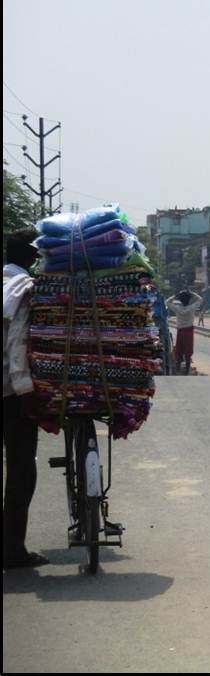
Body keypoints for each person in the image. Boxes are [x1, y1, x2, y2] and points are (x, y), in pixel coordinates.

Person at [3, 228, 49, 569]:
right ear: (32, 257)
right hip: (10, 394)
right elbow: (18, 343)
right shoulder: (25, 289)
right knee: (20, 471)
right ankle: (12, 550)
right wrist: (25, 391)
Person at [166, 289, 203, 375]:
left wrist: (176, 295)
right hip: (189, 331)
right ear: (189, 300)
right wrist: (192, 293)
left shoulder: (177, 308)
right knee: (188, 352)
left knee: (179, 350)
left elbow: (167, 302)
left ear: (180, 301)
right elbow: (200, 299)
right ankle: (186, 370)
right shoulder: (192, 307)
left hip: (180, 331)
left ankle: (178, 369)